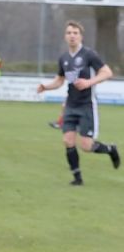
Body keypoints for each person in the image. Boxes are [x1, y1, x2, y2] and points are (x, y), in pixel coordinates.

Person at [37, 21, 120, 185]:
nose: (72, 35)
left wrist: (89, 83)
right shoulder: (64, 58)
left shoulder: (89, 55)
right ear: (65, 36)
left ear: (81, 36)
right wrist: (45, 87)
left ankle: (111, 150)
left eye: (75, 33)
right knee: (68, 141)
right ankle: (77, 178)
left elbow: (107, 72)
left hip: (87, 105)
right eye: (69, 33)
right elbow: (60, 80)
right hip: (70, 105)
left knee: (86, 146)